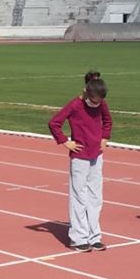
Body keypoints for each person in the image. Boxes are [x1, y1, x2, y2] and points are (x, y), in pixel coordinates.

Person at [48, 78, 112, 252]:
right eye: (93, 101)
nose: (95, 104)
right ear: (86, 93)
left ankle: (94, 236)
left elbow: (108, 121)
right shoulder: (75, 105)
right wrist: (65, 141)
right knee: (79, 197)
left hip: (96, 155)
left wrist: (105, 138)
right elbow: (54, 123)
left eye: (98, 101)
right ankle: (78, 237)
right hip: (80, 157)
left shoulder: (101, 105)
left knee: (95, 197)